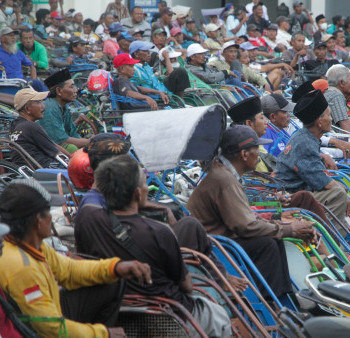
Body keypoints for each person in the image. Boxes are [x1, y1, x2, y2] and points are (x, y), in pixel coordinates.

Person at [75, 155, 233, 337]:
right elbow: (187, 286)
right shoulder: (159, 232)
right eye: (144, 185)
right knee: (218, 313)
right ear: (137, 193)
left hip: (113, 312)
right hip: (169, 317)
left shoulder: (87, 219)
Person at [0, 178, 152, 338]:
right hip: (35, 332)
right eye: (49, 211)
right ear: (38, 220)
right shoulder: (22, 267)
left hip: (45, 318)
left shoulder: (32, 245)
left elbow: (69, 270)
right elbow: (50, 328)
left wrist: (115, 267)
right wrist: (102, 334)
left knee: (114, 280)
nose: (51, 217)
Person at [188, 124, 317, 298]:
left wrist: (282, 225)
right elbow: (245, 226)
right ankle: (270, 303)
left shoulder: (226, 174)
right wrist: (288, 229)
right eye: (257, 150)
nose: (260, 156)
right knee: (267, 245)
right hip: (215, 248)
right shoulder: (224, 179)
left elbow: (246, 217)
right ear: (244, 154)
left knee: (274, 240)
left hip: (223, 240)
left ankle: (284, 297)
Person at [273, 89, 350, 226]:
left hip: (299, 191)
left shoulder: (306, 137)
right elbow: (325, 183)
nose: (331, 119)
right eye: (329, 115)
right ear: (319, 122)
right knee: (338, 194)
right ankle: (326, 236)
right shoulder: (305, 143)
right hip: (289, 197)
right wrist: (344, 190)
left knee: (338, 189)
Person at [10, 88, 68, 168]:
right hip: (40, 169)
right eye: (38, 102)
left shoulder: (15, 124)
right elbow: (57, 154)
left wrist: (71, 156)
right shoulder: (31, 126)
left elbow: (51, 145)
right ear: (27, 109)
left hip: (24, 168)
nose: (43, 106)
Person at [39, 69, 89, 152]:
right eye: (71, 86)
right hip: (46, 150)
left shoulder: (64, 108)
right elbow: (62, 141)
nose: (75, 90)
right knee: (72, 148)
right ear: (59, 91)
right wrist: (90, 142)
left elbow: (73, 134)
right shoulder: (50, 108)